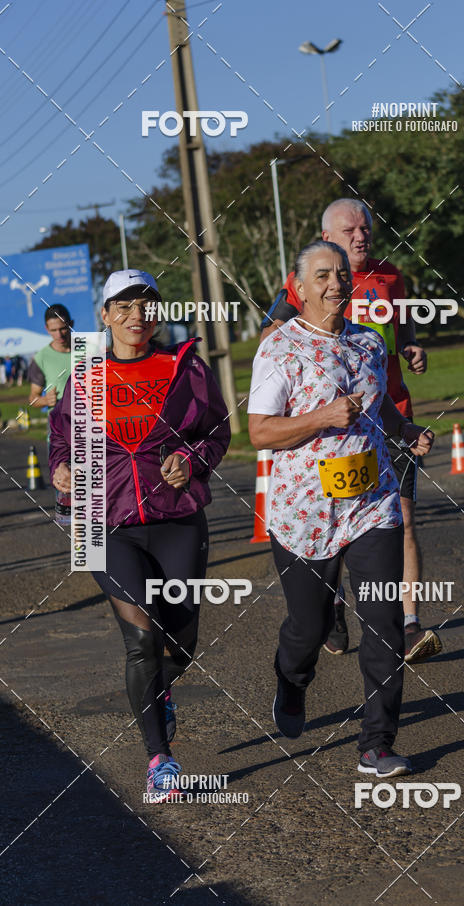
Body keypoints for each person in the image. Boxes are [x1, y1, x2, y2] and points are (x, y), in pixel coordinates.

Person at [249, 241, 434, 776]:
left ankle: (377, 743)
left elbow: (382, 412)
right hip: (304, 513)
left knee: (383, 621)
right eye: (323, 276)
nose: (336, 285)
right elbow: (260, 431)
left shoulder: (370, 344)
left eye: (342, 276)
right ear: (298, 287)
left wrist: (406, 431)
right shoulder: (279, 348)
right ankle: (292, 679)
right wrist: (321, 417)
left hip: (372, 506)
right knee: (307, 629)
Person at [49, 269, 231, 803]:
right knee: (141, 641)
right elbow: (61, 439)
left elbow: (216, 431)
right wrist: (62, 470)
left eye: (146, 305)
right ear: (104, 317)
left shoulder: (184, 367)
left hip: (176, 517)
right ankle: (159, 760)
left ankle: (163, 688)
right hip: (104, 524)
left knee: (180, 640)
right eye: (122, 307)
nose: (136, 317)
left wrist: (190, 459)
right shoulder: (84, 377)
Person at [260, 198, 441, 664]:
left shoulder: (391, 278)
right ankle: (333, 609)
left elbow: (402, 336)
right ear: (327, 239)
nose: (360, 236)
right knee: (333, 529)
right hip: (325, 435)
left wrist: (413, 349)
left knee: (397, 519)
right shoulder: (312, 277)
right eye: (349, 231)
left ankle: (409, 623)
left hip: (387, 418)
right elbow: (272, 337)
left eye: (366, 228)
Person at [28, 303, 73, 410]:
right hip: (58, 423)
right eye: (53, 330)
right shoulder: (41, 358)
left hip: (89, 420)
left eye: (62, 328)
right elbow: (33, 398)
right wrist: (45, 400)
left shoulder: (91, 350)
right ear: (47, 329)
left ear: (71, 324)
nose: (59, 335)